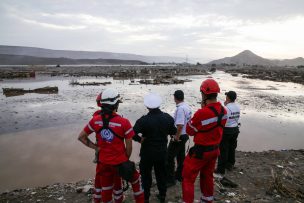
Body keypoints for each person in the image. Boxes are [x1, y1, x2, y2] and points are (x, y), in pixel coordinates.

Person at [78, 88, 144, 203]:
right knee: (136, 180)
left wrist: (96, 147)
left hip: (103, 162)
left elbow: (81, 137)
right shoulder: (124, 122)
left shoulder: (95, 121)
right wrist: (125, 160)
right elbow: (129, 147)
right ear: (116, 104)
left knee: (107, 188)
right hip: (120, 162)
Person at [182, 79, 227, 203]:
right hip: (214, 150)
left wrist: (202, 110)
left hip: (200, 152)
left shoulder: (202, 113)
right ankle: (207, 199)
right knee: (207, 175)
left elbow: (190, 130)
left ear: (204, 94)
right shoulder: (224, 111)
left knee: (188, 178)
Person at [133, 93, 177, 203]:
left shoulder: (143, 120)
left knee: (146, 176)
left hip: (147, 153)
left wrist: (139, 139)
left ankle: (146, 198)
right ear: (159, 105)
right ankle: (162, 197)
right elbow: (174, 132)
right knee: (161, 175)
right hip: (162, 152)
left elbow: (132, 133)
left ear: (147, 106)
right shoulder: (168, 118)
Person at [167, 90, 192, 186]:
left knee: (169, 157)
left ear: (175, 98)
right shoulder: (187, 106)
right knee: (181, 156)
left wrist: (176, 137)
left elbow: (180, 125)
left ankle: (170, 180)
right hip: (185, 135)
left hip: (180, 135)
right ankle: (180, 175)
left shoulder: (180, 109)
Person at [216, 91, 240, 175]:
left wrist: (225, 105)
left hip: (227, 130)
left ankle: (220, 169)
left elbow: (220, 120)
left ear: (228, 98)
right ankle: (230, 164)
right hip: (235, 129)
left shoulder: (225, 108)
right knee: (232, 148)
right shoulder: (238, 106)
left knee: (223, 150)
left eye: (226, 96)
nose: (225, 98)